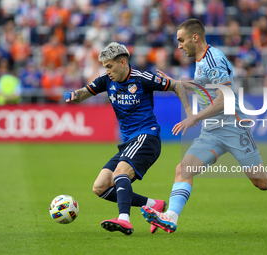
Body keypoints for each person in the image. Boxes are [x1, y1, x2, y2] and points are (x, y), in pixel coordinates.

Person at [140, 18, 267, 233]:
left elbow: (225, 99)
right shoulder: (202, 60)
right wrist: (178, 83)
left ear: (195, 37)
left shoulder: (213, 60)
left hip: (233, 127)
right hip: (211, 131)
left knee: (262, 182)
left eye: (181, 40)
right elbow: (205, 86)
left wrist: (194, 117)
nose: (179, 45)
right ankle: (171, 217)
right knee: (183, 170)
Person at [64, 42, 192, 235]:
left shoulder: (142, 79)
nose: (106, 71)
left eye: (109, 66)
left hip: (146, 137)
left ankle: (124, 219)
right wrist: (74, 95)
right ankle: (154, 204)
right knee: (100, 187)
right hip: (128, 143)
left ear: (122, 62)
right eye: (104, 67)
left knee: (119, 173)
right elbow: (83, 93)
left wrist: (189, 114)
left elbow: (177, 86)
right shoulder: (106, 81)